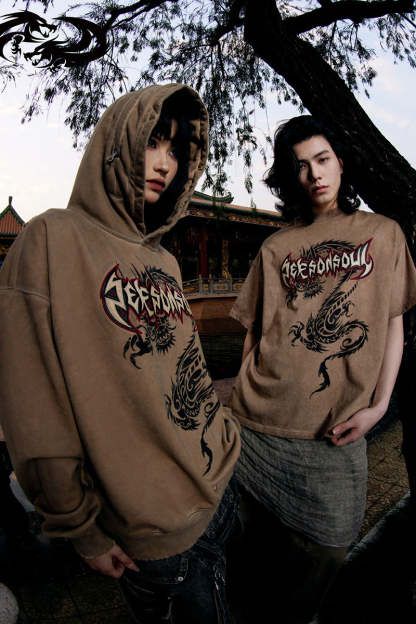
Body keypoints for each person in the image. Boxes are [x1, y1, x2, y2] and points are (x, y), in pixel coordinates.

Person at [0, 84, 240, 624]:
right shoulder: (50, 240)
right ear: (116, 141)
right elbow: (36, 410)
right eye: (153, 141)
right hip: (157, 534)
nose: (165, 163)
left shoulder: (165, 262)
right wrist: (82, 530)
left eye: (177, 150)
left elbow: (188, 369)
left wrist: (224, 434)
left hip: (220, 489)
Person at [229, 115, 416, 623]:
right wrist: (241, 392)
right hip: (255, 426)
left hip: (333, 430)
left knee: (332, 545)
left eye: (322, 159)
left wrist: (379, 407)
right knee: (252, 552)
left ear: (340, 162)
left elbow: (393, 324)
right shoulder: (275, 247)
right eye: (300, 166)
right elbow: (256, 333)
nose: (313, 174)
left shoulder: (383, 233)